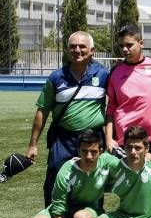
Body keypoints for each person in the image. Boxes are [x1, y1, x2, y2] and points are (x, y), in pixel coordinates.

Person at [27, 31, 108, 207]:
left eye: (82, 46)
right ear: (67, 50)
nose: (77, 50)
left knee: (94, 179)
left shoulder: (103, 75)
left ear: (92, 50)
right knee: (55, 177)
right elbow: (42, 111)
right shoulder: (56, 78)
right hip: (63, 139)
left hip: (93, 138)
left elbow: (116, 107)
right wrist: (33, 144)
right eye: (72, 46)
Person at [29, 131, 114, 218]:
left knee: (81, 217)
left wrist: (149, 158)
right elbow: (59, 211)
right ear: (78, 150)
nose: (88, 156)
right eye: (84, 151)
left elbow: (129, 165)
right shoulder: (66, 171)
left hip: (89, 210)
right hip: (64, 211)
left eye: (93, 152)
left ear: (101, 151)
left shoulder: (107, 162)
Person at [105, 24, 151, 157]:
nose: (124, 49)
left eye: (129, 45)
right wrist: (108, 138)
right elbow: (111, 109)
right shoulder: (115, 72)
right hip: (126, 140)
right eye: (121, 46)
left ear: (141, 43)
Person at [94, 126, 151, 218]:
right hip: (120, 216)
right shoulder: (115, 166)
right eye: (129, 147)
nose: (133, 152)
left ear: (147, 148)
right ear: (124, 147)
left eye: (138, 148)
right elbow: (96, 159)